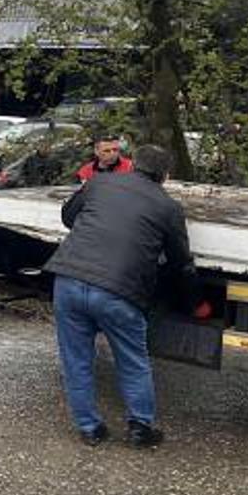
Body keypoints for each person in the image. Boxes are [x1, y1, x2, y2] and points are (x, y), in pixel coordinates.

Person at [43, 144, 194, 448]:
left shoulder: (99, 182)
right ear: (165, 175)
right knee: (132, 360)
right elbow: (180, 261)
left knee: (77, 359)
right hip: (118, 290)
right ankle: (140, 428)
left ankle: (89, 429)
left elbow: (68, 217)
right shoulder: (169, 208)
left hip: (69, 280)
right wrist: (191, 298)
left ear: (133, 164)